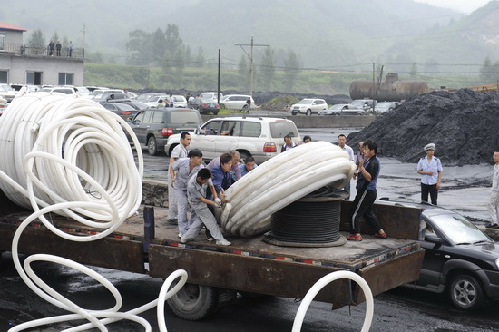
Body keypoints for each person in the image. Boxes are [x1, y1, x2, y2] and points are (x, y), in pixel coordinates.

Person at [171, 149, 217, 237]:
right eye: (198, 158)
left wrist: (215, 197)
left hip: (191, 190)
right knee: (182, 207)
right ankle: (183, 231)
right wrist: (172, 177)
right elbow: (172, 167)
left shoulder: (201, 168)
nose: (200, 160)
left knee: (194, 209)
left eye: (201, 158)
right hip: (180, 188)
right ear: (192, 158)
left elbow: (210, 184)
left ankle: (191, 228)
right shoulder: (181, 162)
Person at [348, 140, 387, 241]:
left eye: (366, 149)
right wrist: (357, 173)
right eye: (363, 149)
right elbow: (364, 174)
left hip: (367, 191)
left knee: (354, 212)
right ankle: (380, 232)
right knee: (367, 213)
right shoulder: (368, 160)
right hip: (369, 191)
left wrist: (361, 168)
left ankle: (355, 234)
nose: (364, 151)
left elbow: (369, 177)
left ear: (372, 150)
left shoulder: (373, 162)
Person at [180, 168, 231, 246]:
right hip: (197, 204)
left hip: (203, 200)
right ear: (199, 178)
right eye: (205, 181)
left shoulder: (205, 175)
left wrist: (216, 197)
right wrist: (214, 203)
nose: (206, 182)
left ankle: (186, 237)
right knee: (211, 220)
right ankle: (219, 239)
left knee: (200, 221)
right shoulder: (192, 185)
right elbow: (201, 199)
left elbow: (211, 187)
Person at [168, 132, 191, 224]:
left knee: (179, 197)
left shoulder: (184, 150)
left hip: (179, 176)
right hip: (175, 175)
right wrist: (173, 177)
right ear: (182, 140)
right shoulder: (177, 148)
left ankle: (177, 216)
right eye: (187, 139)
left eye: (190, 139)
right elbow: (172, 161)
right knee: (173, 196)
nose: (189, 141)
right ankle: (172, 217)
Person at [337, 134, 355, 199]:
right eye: (340, 140)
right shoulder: (335, 149)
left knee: (347, 189)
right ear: (338, 141)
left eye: (343, 140)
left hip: (346, 173)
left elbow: (352, 161)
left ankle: (347, 201)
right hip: (337, 173)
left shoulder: (349, 149)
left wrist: (352, 172)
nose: (341, 141)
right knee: (336, 188)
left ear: (346, 141)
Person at [486, 148, 499, 228]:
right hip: (494, 189)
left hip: (497, 190)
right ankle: (497, 222)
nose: (494, 157)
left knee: (490, 204)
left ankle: (494, 222)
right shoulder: (495, 166)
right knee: (496, 205)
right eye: (494, 156)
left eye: (496, 156)